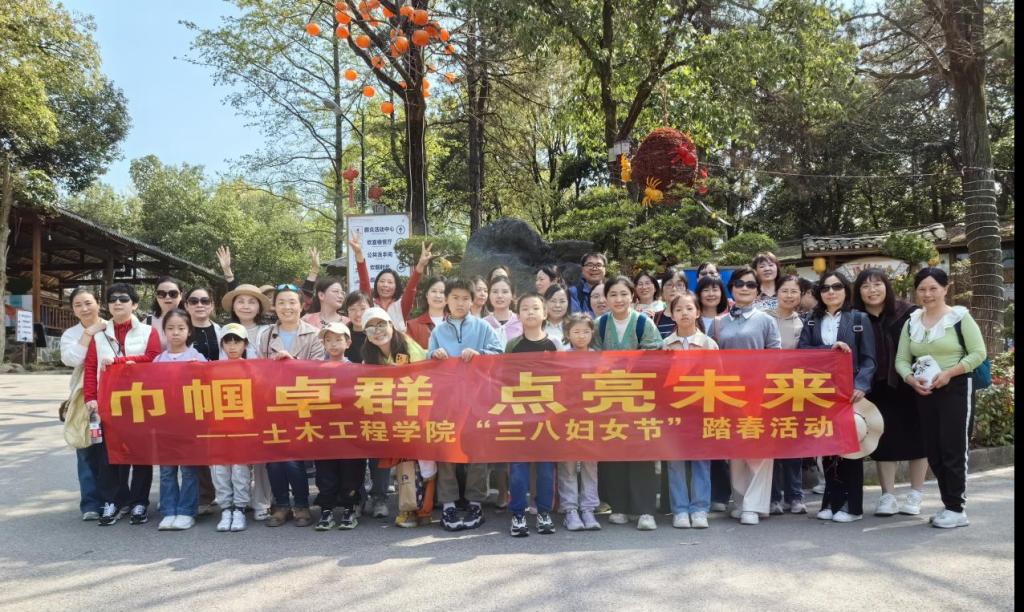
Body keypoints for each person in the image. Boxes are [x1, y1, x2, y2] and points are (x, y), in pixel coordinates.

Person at [895, 267, 986, 529]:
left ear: (946, 289)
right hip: (925, 390)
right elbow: (902, 359)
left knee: (953, 449)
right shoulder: (912, 322)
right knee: (933, 450)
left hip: (956, 387)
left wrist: (949, 373)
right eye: (922, 289)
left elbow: (978, 353)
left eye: (933, 288)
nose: (927, 294)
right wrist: (910, 379)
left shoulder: (959, 318)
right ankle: (948, 505)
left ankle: (957, 509)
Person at [799, 271, 876, 523]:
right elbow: (803, 352)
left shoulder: (859, 319)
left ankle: (852, 507)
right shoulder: (812, 320)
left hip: (849, 394)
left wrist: (861, 385)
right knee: (828, 448)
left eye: (837, 287)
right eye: (825, 288)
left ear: (846, 290)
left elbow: (869, 359)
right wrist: (829, 350)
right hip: (821, 392)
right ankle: (831, 502)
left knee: (850, 449)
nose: (831, 292)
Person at [82, 283, 161, 526]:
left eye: (124, 299)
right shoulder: (99, 334)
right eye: (113, 299)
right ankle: (113, 501)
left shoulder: (148, 331)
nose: (118, 303)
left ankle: (139, 501)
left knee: (141, 453)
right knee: (109, 454)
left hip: (140, 401)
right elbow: (91, 367)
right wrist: (90, 397)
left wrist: (120, 361)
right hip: (108, 402)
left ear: (134, 304)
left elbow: (153, 358)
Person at [428, 278, 503, 531]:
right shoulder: (438, 331)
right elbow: (427, 361)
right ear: (446, 300)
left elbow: (499, 354)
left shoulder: (483, 327)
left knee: (477, 453)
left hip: (478, 401)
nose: (460, 303)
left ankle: (475, 503)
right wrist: (434, 355)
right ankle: (448, 505)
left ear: (472, 301)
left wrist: (480, 355)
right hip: (446, 402)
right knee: (446, 452)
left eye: (465, 298)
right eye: (455, 298)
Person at [853, 268, 927, 517]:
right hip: (875, 388)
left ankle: (916, 494)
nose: (872, 290)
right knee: (883, 441)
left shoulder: (909, 313)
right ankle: (888, 496)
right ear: (858, 292)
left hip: (910, 385)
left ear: (887, 286)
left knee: (918, 440)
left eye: (877, 284)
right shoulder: (855, 318)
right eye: (865, 286)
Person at [592, 276, 664, 530]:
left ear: (632, 295)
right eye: (613, 294)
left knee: (642, 452)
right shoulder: (600, 324)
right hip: (609, 399)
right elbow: (590, 358)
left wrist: (627, 365)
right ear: (606, 298)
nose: (619, 299)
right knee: (614, 453)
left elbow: (656, 355)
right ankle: (619, 506)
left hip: (640, 399)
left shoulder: (643, 323)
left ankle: (645, 510)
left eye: (623, 294)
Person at [717, 267, 781, 525]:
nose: (745, 288)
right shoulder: (719, 322)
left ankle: (755, 506)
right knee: (736, 450)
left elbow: (775, 356)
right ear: (731, 287)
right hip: (728, 393)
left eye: (751, 285)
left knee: (759, 451)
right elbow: (712, 358)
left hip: (758, 392)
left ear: (757, 290)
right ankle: (741, 501)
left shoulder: (766, 320)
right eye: (740, 284)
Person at [258, 284, 325, 527]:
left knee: (294, 458)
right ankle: (281, 505)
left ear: (301, 305)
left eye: (292, 302)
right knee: (274, 458)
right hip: (273, 405)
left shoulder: (314, 334)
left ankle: (301, 504)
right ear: (274, 306)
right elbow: (258, 370)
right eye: (281, 302)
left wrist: (292, 362)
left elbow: (318, 369)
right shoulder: (266, 335)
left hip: (302, 404)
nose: (287, 307)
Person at [360, 307, 434, 528]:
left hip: (418, 413)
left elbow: (423, 377)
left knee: (425, 464)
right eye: (370, 328)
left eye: (381, 325)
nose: (377, 331)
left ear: (391, 325)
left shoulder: (408, 346)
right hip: (391, 417)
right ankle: (408, 508)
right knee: (404, 463)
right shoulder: (369, 355)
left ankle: (425, 510)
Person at [662, 292, 718, 530]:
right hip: (673, 413)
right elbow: (659, 380)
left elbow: (718, 379)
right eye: (678, 309)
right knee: (675, 462)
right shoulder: (665, 345)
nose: (684, 313)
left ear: (698, 312)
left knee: (701, 461)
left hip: (700, 411)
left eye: (689, 308)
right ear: (671, 315)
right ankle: (680, 510)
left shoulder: (709, 344)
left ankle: (700, 509)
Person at [505, 293, 559, 537]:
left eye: (535, 308)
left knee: (546, 470)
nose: (530, 312)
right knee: (518, 470)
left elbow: (563, 378)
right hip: (519, 416)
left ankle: (544, 512)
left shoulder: (554, 344)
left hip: (547, 417)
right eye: (525, 308)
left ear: (545, 313)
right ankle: (518, 514)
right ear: (518, 315)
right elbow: (504, 378)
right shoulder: (512, 345)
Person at [153, 309, 207, 531]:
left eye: (181, 328)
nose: (175, 333)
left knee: (188, 469)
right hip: (164, 424)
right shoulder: (158, 360)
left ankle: (186, 511)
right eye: (170, 328)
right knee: (167, 470)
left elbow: (207, 389)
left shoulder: (197, 358)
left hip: (189, 425)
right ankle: (168, 510)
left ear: (189, 331)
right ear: (164, 331)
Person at [312, 321, 364, 531]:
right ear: (323, 344)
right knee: (325, 471)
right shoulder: (315, 369)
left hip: (350, 430)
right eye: (328, 340)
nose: (333, 344)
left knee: (351, 470)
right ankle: (326, 509)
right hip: (324, 430)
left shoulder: (357, 369)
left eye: (338, 339)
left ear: (348, 343)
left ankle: (350, 508)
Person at [60, 287, 107, 521]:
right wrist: (89, 333)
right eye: (78, 305)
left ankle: (113, 499)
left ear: (98, 303)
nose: (84, 308)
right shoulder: (71, 334)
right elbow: (72, 359)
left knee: (111, 452)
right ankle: (90, 503)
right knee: (86, 450)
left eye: (88, 303)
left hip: (112, 395)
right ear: (73, 310)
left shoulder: (111, 326)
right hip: (84, 400)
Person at [767, 275, 808, 515]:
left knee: (793, 444)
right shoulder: (765, 319)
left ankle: (795, 496)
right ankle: (773, 497)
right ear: (777, 293)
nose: (789, 295)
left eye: (794, 291)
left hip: (794, 389)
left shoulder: (804, 323)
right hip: (766, 390)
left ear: (800, 295)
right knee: (771, 444)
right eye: (785, 290)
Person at [182, 286, 220, 513]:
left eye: (205, 300)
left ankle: (232, 494)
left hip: (220, 394)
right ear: (186, 305)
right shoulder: (180, 330)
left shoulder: (221, 331)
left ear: (212, 305)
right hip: (190, 396)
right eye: (194, 301)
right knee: (197, 446)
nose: (199, 305)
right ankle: (204, 495)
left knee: (223, 443)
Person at [212, 323, 252, 532]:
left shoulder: (253, 368)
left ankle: (240, 509)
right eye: (228, 342)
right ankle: (226, 508)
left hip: (243, 427)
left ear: (245, 344)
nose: (233, 346)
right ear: (222, 345)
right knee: (219, 468)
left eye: (237, 341)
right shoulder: (213, 368)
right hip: (219, 427)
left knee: (239, 469)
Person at [349, 233, 433, 333]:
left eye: (390, 282)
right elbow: (364, 282)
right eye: (382, 281)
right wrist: (358, 253)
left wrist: (421, 264)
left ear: (396, 286)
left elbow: (411, 288)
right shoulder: (370, 303)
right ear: (376, 284)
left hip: (397, 343)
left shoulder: (402, 305)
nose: (385, 285)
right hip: (372, 342)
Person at [221, 284, 271, 359]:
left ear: (259, 309)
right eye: (241, 302)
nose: (246, 306)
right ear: (233, 307)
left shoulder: (269, 332)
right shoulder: (224, 331)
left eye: (252, 302)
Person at [406, 276, 447, 349]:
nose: (438, 296)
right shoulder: (412, 326)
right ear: (426, 294)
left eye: (442, 292)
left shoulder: (458, 323)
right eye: (434, 291)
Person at [483, 275, 521, 351]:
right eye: (495, 292)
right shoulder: (482, 324)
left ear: (512, 296)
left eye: (505, 292)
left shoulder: (521, 321)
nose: (499, 296)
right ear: (489, 295)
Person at [148, 276, 184, 349]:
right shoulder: (147, 322)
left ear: (180, 295)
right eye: (161, 294)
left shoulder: (191, 320)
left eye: (173, 293)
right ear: (156, 296)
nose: (167, 297)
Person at [653, 267, 689, 338]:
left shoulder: (692, 317)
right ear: (662, 290)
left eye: (679, 285)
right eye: (669, 284)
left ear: (686, 290)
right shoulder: (654, 318)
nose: (674, 289)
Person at [342, 291, 373, 363]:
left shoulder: (378, 334)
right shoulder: (341, 334)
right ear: (347, 311)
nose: (358, 314)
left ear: (371, 309)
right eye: (352, 309)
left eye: (363, 309)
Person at [696, 275, 729, 341]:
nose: (711, 294)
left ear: (721, 293)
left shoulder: (728, 320)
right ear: (699, 294)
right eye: (706, 290)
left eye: (715, 290)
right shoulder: (693, 320)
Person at [542, 284, 570, 350]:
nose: (557, 305)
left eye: (562, 301)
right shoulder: (536, 326)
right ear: (545, 302)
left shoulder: (574, 326)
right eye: (553, 301)